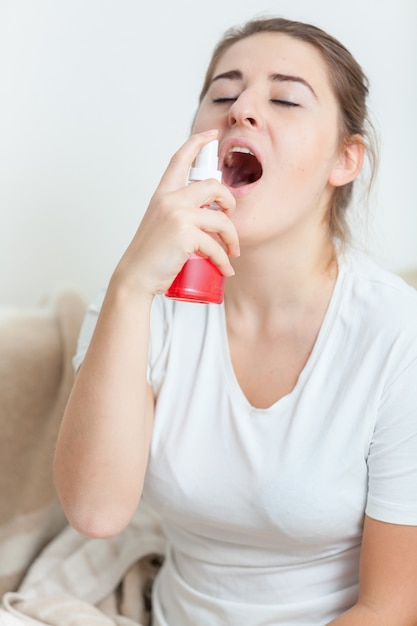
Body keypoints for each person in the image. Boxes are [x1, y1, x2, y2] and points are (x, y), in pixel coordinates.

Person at [53, 16, 417, 625]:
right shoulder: (136, 302)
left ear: (345, 159)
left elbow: (391, 606)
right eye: (223, 94)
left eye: (284, 98)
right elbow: (95, 513)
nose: (241, 109)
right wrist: (133, 283)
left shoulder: (396, 332)